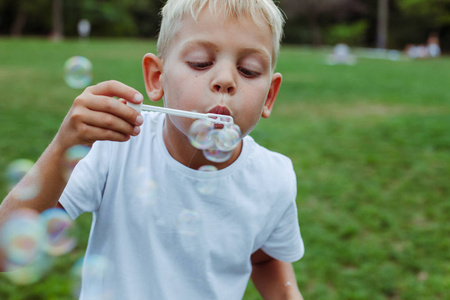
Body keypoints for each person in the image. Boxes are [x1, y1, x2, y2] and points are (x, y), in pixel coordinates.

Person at [0, 0, 305, 298]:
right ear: (156, 78)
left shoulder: (273, 178)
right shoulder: (115, 146)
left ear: (269, 96)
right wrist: (64, 145)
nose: (225, 81)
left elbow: (265, 259)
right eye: (201, 62)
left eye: (249, 70)